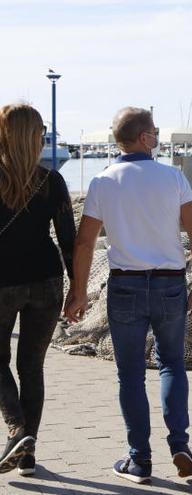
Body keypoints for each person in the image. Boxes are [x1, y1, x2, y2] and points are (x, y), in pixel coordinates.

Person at [64, 107, 192, 484]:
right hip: (169, 283)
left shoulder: (103, 181)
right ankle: (180, 443)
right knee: (172, 365)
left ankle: (139, 460)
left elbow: (84, 242)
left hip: (125, 285)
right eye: (155, 131)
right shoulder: (172, 177)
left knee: (129, 375)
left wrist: (77, 292)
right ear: (144, 138)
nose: (159, 137)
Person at [0, 103, 75, 476]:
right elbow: (68, 240)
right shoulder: (53, 181)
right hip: (47, 281)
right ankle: (27, 454)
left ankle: (17, 431)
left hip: (2, 283)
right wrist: (78, 287)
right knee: (32, 367)